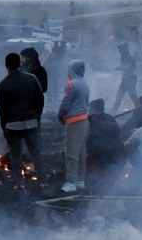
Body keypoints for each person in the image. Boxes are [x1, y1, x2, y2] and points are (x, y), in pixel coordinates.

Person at [0, 53, 45, 189]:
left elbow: (2, 109)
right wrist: (36, 116)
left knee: (15, 154)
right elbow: (40, 99)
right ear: (19, 64)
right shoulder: (32, 79)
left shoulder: (2, 84)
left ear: (6, 66)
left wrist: (4, 127)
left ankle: (20, 183)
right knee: (36, 152)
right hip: (31, 122)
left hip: (12, 125)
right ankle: (42, 181)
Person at [57, 59, 90, 193]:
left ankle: (71, 182)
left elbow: (65, 104)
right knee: (81, 152)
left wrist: (60, 115)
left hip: (74, 122)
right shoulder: (85, 84)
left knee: (71, 153)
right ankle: (80, 180)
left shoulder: (71, 84)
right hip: (84, 121)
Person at [86, 99, 126, 193]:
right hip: (119, 156)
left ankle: (94, 191)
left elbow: (91, 143)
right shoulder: (110, 119)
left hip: (105, 158)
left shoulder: (92, 120)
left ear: (94, 110)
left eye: (89, 109)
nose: (88, 111)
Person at [110, 42, 138, 114]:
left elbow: (130, 68)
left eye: (121, 49)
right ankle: (113, 111)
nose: (120, 51)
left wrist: (119, 68)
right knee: (119, 96)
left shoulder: (130, 57)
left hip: (130, 79)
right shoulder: (122, 57)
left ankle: (139, 109)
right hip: (125, 79)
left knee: (133, 96)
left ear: (125, 49)